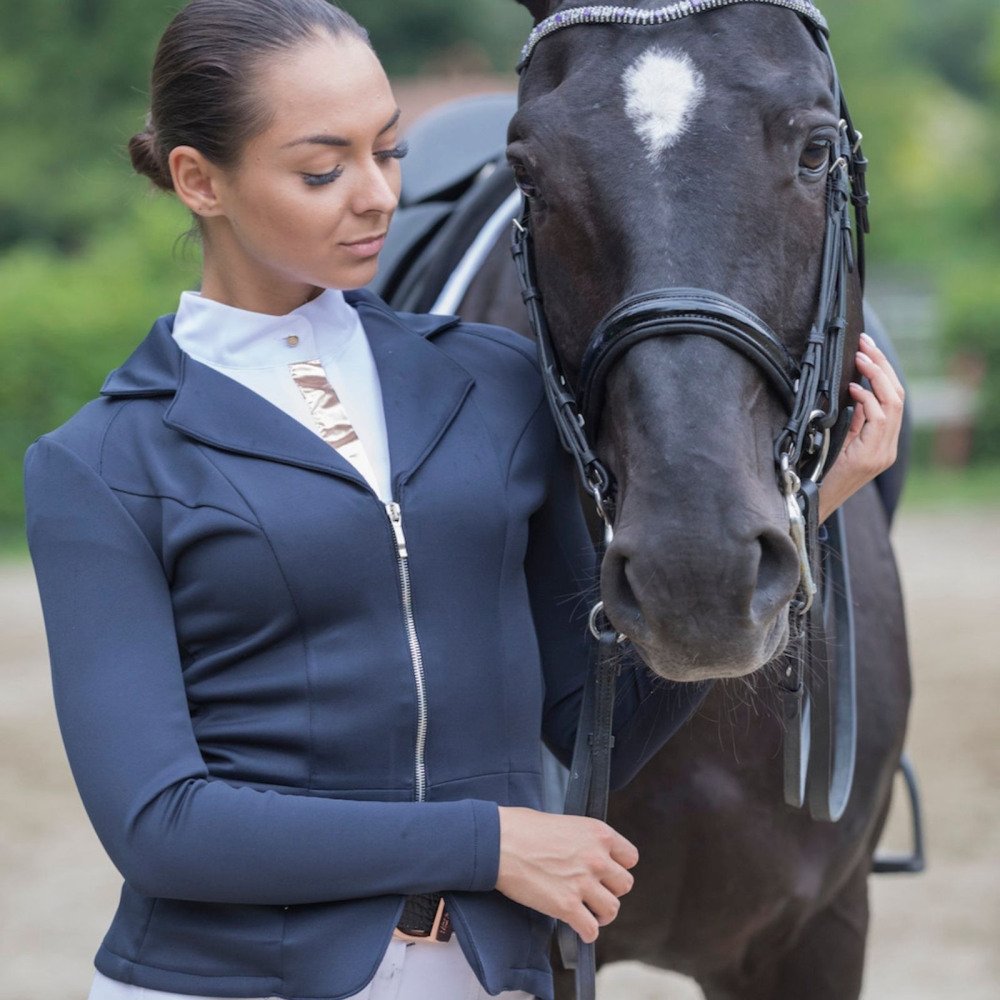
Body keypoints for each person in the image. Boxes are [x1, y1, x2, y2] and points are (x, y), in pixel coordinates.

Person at [22, 2, 906, 999]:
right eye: (323, 170)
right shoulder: (98, 461)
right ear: (197, 179)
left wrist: (808, 508)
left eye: (388, 152)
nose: (376, 198)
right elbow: (159, 826)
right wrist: (491, 844)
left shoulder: (491, 385)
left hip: (481, 982)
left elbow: (594, 718)